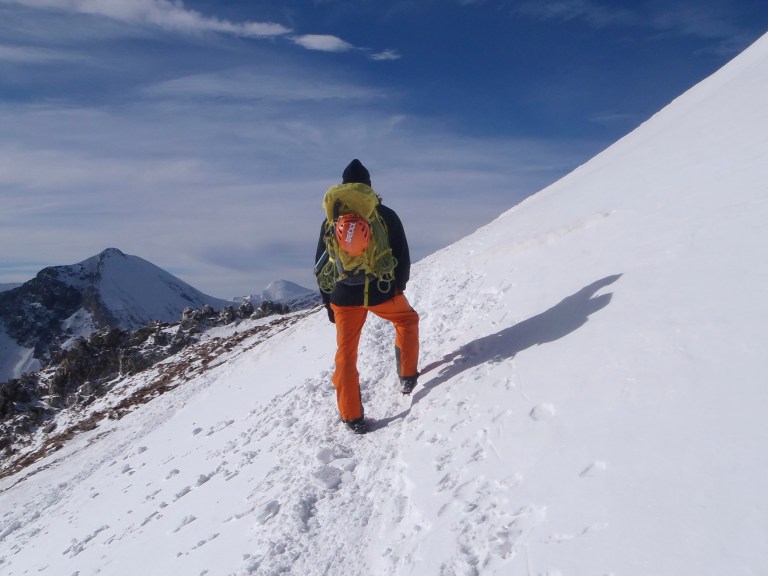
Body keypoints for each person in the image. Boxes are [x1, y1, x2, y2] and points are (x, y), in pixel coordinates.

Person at [315, 159, 420, 434]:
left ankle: (352, 417)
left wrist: (329, 303)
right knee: (407, 320)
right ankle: (407, 377)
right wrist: (398, 286)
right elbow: (402, 254)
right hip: (381, 291)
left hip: (343, 297)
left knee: (346, 355)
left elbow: (321, 265)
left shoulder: (332, 220)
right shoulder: (385, 214)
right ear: (369, 186)